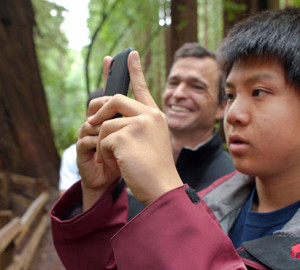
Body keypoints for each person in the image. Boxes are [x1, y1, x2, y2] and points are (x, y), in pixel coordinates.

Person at [50, 8, 300, 270]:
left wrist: (165, 195)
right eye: (230, 95)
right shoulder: (214, 201)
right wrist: (98, 193)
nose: (234, 113)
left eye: (258, 92)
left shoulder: (187, 191)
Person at [128, 43, 234, 219]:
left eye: (197, 87)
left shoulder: (232, 183)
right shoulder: (136, 162)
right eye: (173, 83)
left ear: (221, 108)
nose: (178, 93)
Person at [58, 89, 103, 194]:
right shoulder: (72, 154)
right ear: (87, 115)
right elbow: (65, 197)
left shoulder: (124, 151)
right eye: (98, 113)